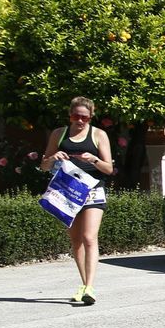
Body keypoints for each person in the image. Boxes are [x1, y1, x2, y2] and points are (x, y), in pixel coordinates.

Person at [41, 97, 115, 304]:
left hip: (92, 189)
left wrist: (94, 159)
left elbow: (108, 169)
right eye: (76, 116)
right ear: (70, 115)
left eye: (84, 117)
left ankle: (90, 287)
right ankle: (83, 284)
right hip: (67, 190)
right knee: (76, 240)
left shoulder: (99, 135)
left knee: (89, 237)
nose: (80, 121)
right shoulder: (59, 134)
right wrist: (53, 158)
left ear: (91, 117)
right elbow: (44, 166)